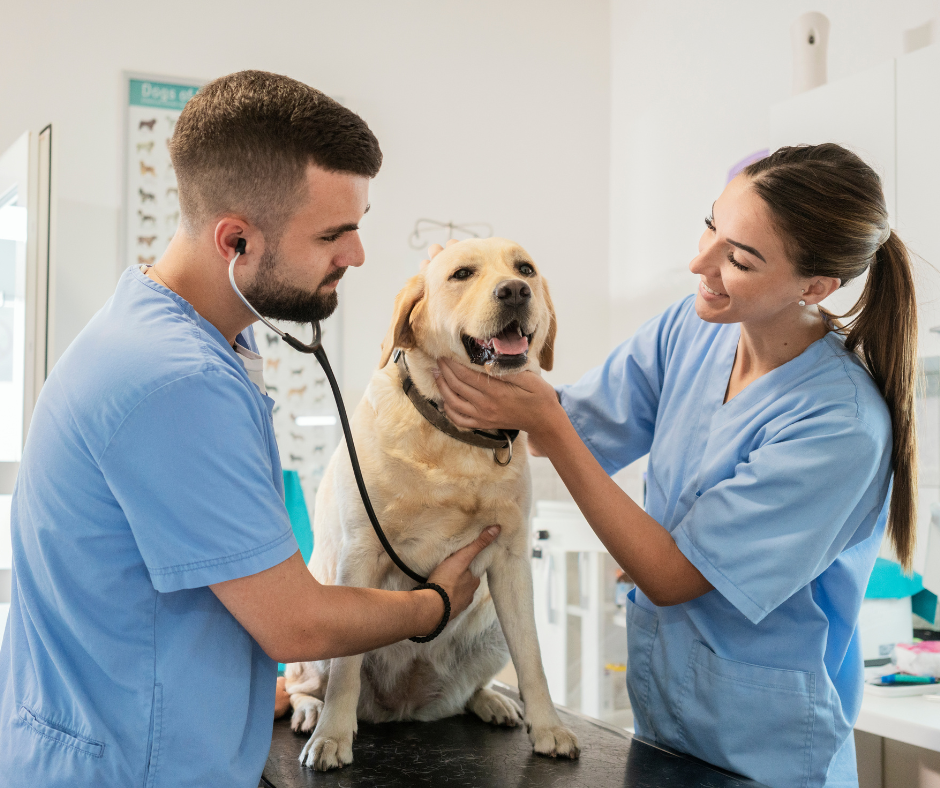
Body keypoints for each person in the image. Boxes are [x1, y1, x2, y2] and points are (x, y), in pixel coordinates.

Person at [0, 70, 500, 788]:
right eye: (335, 234)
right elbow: (297, 624)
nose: (356, 255)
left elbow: (174, 586)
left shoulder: (184, 333)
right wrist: (435, 605)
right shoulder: (175, 381)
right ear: (235, 241)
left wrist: (234, 688)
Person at [433, 143, 917, 788]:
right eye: (712, 224)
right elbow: (569, 426)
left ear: (817, 286)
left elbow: (671, 575)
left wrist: (541, 418)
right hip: (665, 724)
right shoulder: (693, 330)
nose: (700, 263)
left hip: (766, 752)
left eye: (738, 259)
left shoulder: (839, 425)